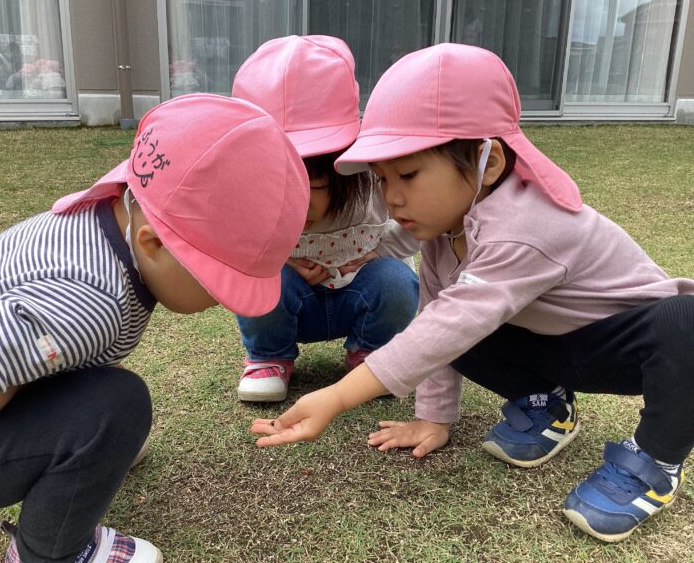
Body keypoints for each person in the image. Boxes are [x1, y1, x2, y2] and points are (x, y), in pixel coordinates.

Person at [250, 43, 694, 543]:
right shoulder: (443, 232)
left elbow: (452, 324)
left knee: (686, 320)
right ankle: (546, 403)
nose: (392, 197)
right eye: (382, 179)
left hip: (628, 348)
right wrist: (433, 417)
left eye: (410, 175)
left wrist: (335, 397)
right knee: (453, 323)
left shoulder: (526, 225)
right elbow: (443, 325)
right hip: (554, 346)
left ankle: (654, 462)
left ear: (489, 160)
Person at [0, 94, 309, 562]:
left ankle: (80, 456)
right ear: (152, 244)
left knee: (101, 414)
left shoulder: (100, 224)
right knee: (116, 407)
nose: (222, 302)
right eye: (219, 285)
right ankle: (51, 553)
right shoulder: (88, 300)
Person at [230, 35, 420, 403]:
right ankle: (269, 356)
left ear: (343, 169)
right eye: (276, 188)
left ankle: (370, 354)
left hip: (358, 295)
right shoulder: (245, 195)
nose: (291, 205)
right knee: (260, 282)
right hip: (292, 302)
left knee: (397, 281)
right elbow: (234, 246)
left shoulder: (371, 186)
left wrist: (377, 254)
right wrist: (281, 260)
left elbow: (416, 228)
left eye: (309, 189)